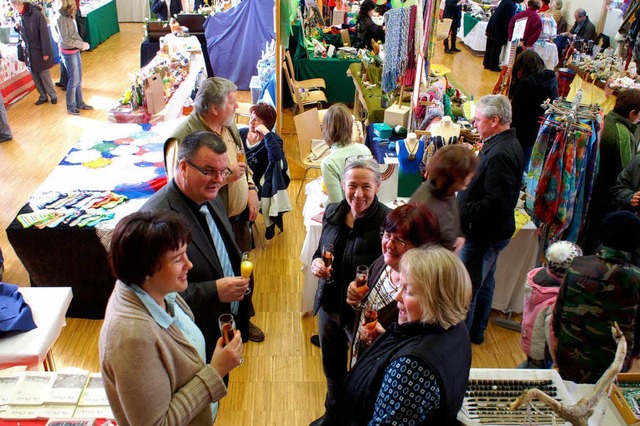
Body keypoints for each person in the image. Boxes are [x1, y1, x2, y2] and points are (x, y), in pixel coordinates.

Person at [99, 210, 243, 425]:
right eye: (177, 259)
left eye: (186, 253)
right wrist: (216, 370)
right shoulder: (131, 337)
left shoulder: (160, 292)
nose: (189, 264)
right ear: (145, 269)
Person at [164, 77, 264, 342]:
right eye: (231, 103)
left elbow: (244, 162)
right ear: (215, 108)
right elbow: (178, 190)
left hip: (237, 217)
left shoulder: (228, 127)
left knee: (243, 271)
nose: (236, 107)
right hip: (207, 225)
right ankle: (222, 326)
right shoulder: (183, 138)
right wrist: (224, 179)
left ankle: (243, 317)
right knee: (217, 277)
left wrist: (251, 189)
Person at [142, 131, 251, 362]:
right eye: (209, 171)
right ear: (183, 167)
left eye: (223, 172)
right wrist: (215, 291)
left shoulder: (209, 194)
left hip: (224, 329)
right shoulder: (155, 219)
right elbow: (154, 299)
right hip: (192, 344)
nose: (219, 179)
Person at [336, 247, 472, 425]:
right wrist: (387, 346)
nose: (397, 297)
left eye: (408, 291)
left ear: (435, 300)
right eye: (400, 287)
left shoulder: (412, 369)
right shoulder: (456, 327)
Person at [309, 159, 391, 426]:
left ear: (378, 186)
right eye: (352, 185)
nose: (358, 193)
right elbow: (320, 251)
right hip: (330, 307)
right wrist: (317, 263)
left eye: (366, 186)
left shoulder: (387, 223)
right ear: (342, 185)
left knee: (362, 372)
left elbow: (394, 271)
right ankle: (333, 416)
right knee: (332, 369)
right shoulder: (332, 211)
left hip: (363, 315)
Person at [458, 94, 525, 345]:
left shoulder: (500, 153)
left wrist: (461, 210)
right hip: (492, 233)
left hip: (483, 234)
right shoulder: (505, 144)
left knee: (468, 290)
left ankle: (460, 343)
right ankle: (476, 333)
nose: (475, 124)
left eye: (478, 120)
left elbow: (494, 203)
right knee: (485, 283)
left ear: (494, 120)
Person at [346, 203, 442, 366]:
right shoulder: (383, 263)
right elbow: (366, 303)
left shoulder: (424, 294)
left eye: (400, 240)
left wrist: (383, 341)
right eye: (387, 235)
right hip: (363, 356)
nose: (389, 245)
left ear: (423, 247)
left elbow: (420, 350)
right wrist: (354, 294)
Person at [552, 211, 640, 384]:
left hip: (570, 354)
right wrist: (634, 354)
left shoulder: (578, 265)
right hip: (612, 363)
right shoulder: (636, 278)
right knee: (602, 403)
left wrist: (559, 340)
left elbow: (559, 310)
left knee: (565, 397)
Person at [580, 89, 640, 255]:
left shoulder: (605, 121)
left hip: (595, 190)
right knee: (595, 235)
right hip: (607, 195)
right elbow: (627, 171)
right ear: (632, 113)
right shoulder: (622, 135)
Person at [519, 241, 582, 369]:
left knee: (530, 365)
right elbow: (552, 333)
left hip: (529, 336)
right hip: (542, 348)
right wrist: (557, 358)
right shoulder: (556, 300)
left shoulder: (536, 278)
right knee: (537, 374)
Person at [410, 145, 478, 253]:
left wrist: (459, 235)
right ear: (453, 174)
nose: (472, 175)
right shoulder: (425, 207)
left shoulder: (446, 190)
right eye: (467, 173)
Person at [238, 103, 291, 240]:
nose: (251, 121)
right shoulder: (241, 134)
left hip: (260, 183)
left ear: (266, 124)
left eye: (256, 119)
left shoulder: (273, 140)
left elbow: (276, 157)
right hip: (240, 178)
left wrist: (267, 133)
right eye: (251, 117)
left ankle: (246, 231)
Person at [510, 49, 558, 168]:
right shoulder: (551, 79)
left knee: (520, 164)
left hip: (523, 133)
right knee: (532, 164)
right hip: (542, 130)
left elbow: (516, 111)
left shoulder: (526, 85)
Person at [320, 103, 372, 206]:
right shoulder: (365, 150)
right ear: (350, 127)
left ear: (326, 130)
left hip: (346, 215)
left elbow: (336, 203)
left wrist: (325, 202)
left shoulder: (329, 163)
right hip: (367, 211)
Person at [10, 0, 57, 106]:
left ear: (21, 4)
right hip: (27, 51)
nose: (14, 9)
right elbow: (22, 32)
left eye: (15, 6)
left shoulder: (36, 14)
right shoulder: (18, 15)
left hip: (38, 50)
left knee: (44, 74)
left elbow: (44, 34)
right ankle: (43, 96)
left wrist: (46, 52)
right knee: (34, 75)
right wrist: (16, 28)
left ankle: (52, 95)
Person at [53, 0, 93, 115]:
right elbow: (66, 39)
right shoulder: (61, 18)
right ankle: (71, 106)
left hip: (75, 50)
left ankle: (80, 103)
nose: (75, 6)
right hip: (68, 52)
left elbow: (74, 34)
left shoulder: (69, 15)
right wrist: (82, 45)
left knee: (79, 78)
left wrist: (81, 44)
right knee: (74, 79)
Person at [484, 0, 522, 71]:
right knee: (496, 47)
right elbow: (509, 19)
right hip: (500, 27)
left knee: (490, 45)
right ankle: (493, 66)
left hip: (493, 23)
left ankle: (487, 63)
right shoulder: (511, 4)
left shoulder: (506, 1)